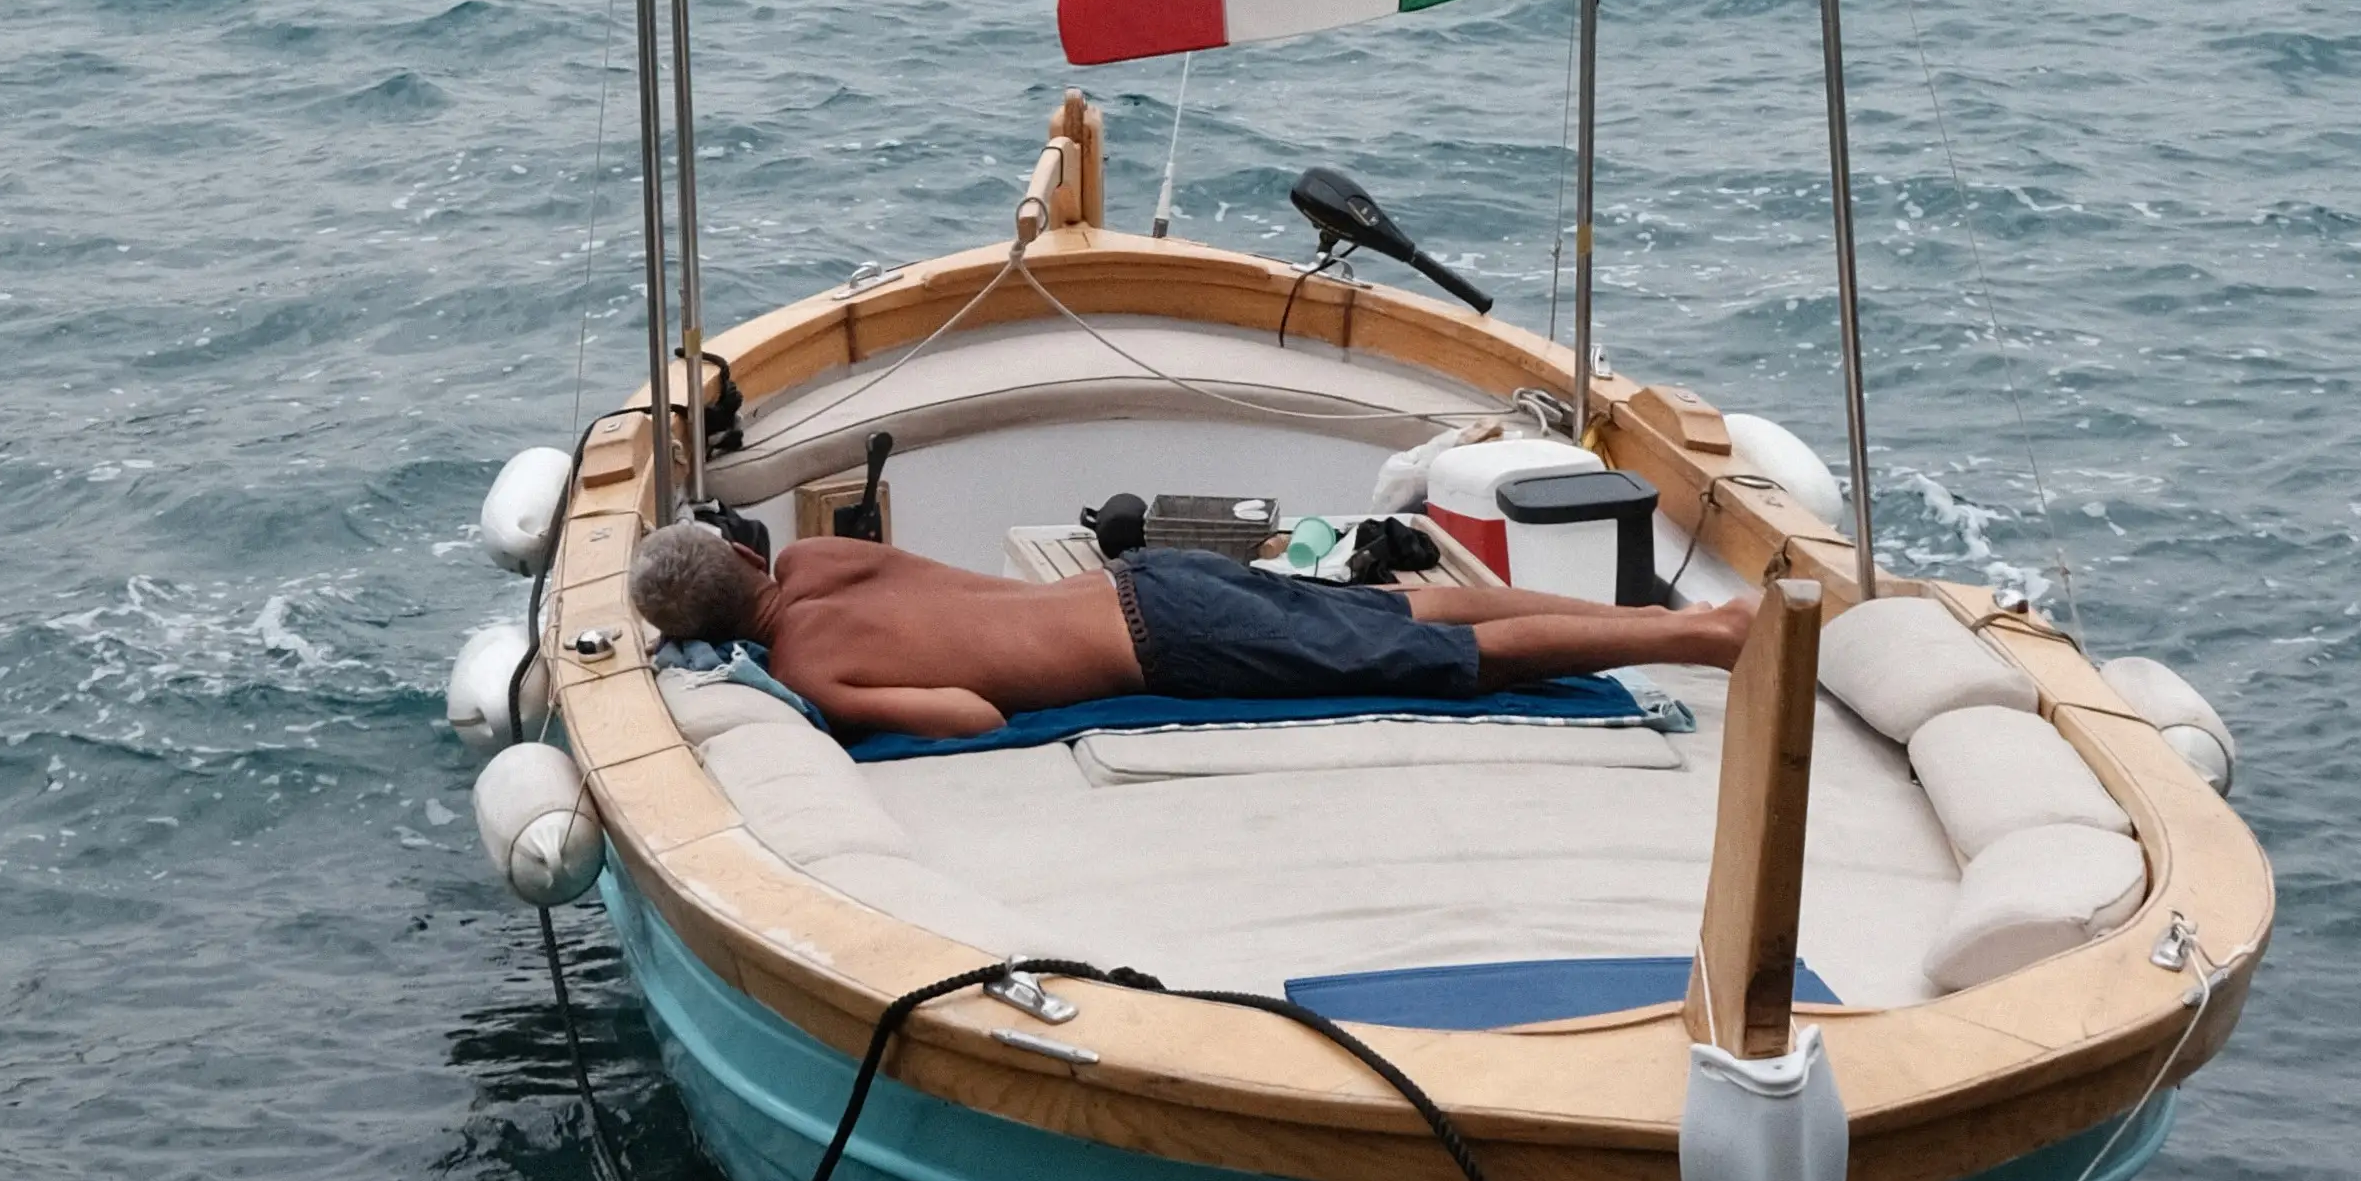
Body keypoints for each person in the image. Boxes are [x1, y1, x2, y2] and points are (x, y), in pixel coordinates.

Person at [623, 511, 1750, 743]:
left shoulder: (814, 668)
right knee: (1413, 605)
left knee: (1434, 655)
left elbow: (969, 713)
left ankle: (1700, 645)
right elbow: (956, 587)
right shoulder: (822, 558)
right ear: (743, 559)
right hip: (1146, 579)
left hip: (1163, 649)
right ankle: (1670, 618)